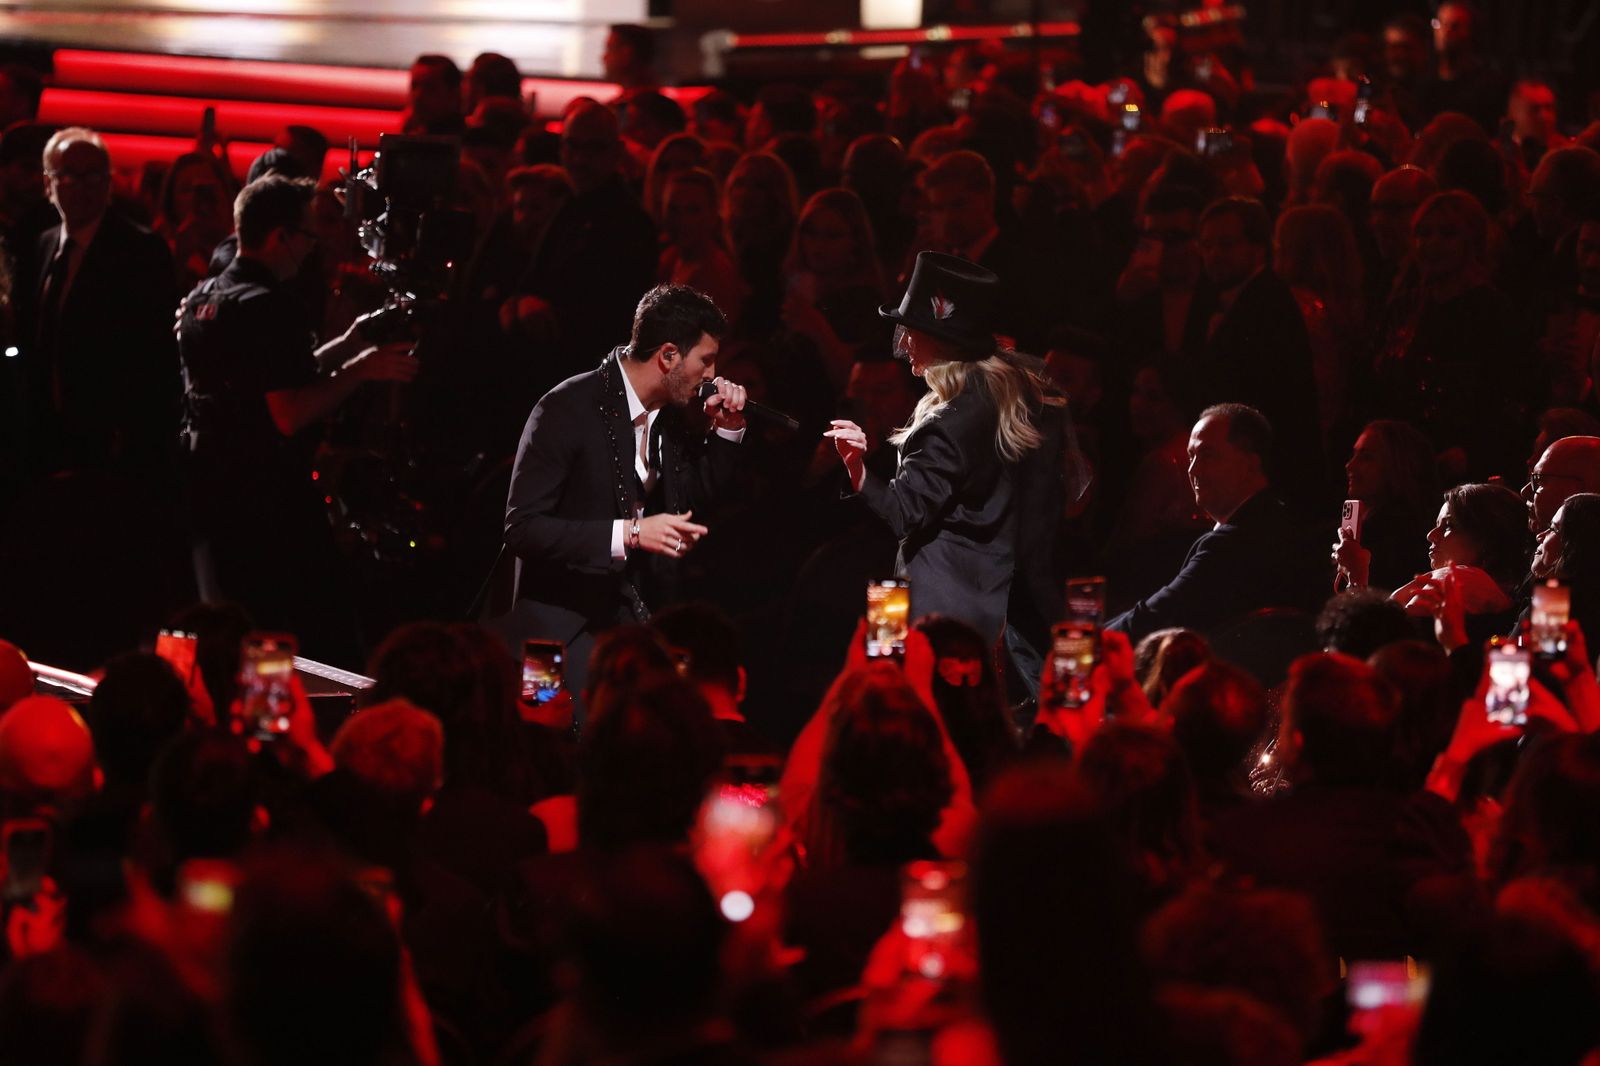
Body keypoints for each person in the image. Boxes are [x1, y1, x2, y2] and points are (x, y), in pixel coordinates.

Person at [179, 175, 417, 661]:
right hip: (265, 505)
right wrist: (362, 371)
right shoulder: (272, 307)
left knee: (226, 632)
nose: (313, 248)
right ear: (281, 236)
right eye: (309, 236)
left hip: (206, 492)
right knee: (288, 636)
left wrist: (349, 342)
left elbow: (274, 379)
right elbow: (288, 413)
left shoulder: (204, 297)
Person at [491, 284, 747, 715]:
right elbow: (522, 528)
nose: (712, 374)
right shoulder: (565, 408)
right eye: (706, 359)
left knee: (634, 740)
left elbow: (692, 499)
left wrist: (728, 429)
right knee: (543, 738)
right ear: (668, 355)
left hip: (623, 631)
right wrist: (629, 533)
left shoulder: (666, 417)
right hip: (549, 636)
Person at [825, 251, 1066, 650]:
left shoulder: (946, 426)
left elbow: (905, 514)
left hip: (936, 612)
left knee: (902, 698)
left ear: (939, 340)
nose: (903, 343)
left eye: (912, 331)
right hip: (990, 596)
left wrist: (857, 467)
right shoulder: (1002, 398)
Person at [15, 126, 179, 476]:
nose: (81, 185)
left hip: (110, 443)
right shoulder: (41, 244)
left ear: (107, 183)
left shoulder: (140, 251)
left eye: (93, 175)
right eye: (69, 174)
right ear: (49, 184)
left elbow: (152, 350)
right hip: (44, 435)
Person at [1106, 404, 1324, 642]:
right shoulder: (1280, 520)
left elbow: (1155, 617)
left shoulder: (1231, 545)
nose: (1193, 469)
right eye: (1191, 456)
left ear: (1250, 464)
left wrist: (1086, 639)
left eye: (1207, 455)